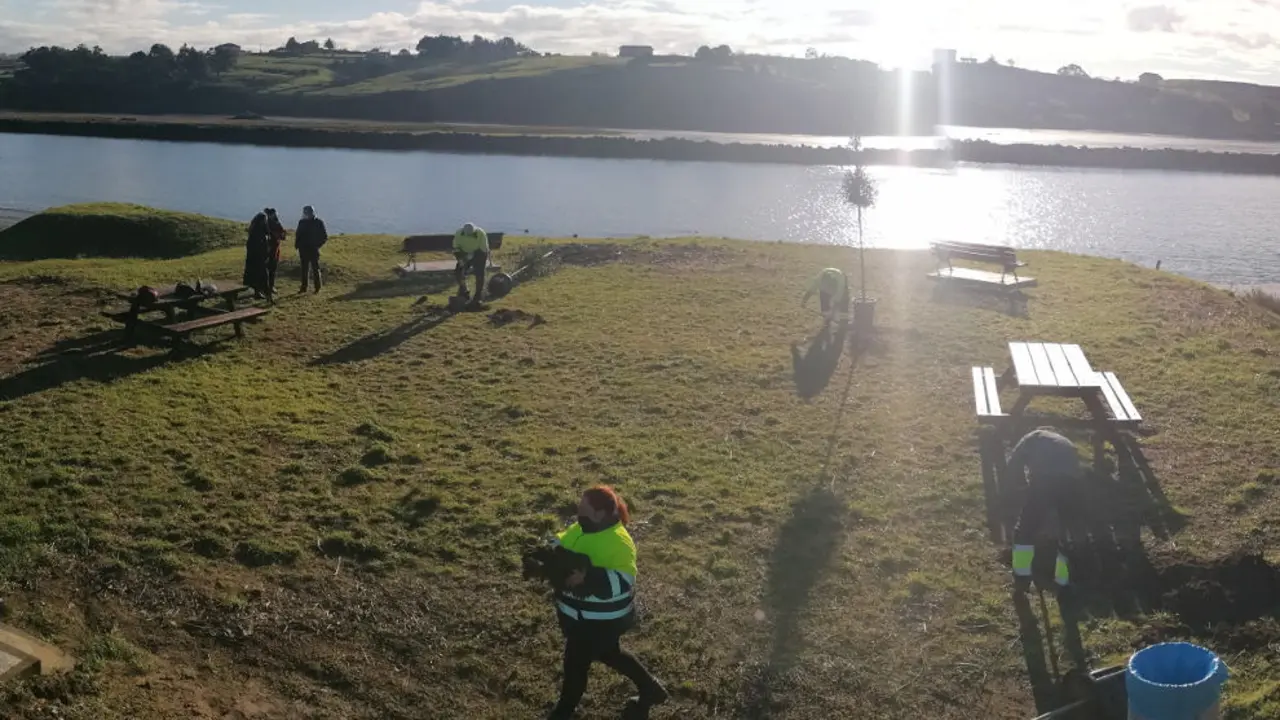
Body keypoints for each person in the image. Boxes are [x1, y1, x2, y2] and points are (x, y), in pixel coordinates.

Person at [526, 487, 668, 720]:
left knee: (575, 664)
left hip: (599, 622)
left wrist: (589, 578)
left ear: (601, 514)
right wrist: (544, 552)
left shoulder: (619, 542)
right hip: (583, 618)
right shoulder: (582, 527)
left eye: (584, 509)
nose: (578, 512)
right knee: (610, 653)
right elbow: (563, 539)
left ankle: (563, 712)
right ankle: (651, 688)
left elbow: (623, 582)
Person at [1007, 427, 1083, 593]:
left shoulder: (1030, 437)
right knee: (1065, 531)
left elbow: (1013, 464)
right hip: (1070, 480)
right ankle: (1063, 580)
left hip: (1044, 479)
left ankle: (1021, 578)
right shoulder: (1064, 441)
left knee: (1025, 529)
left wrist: (1020, 487)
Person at [453, 222, 489, 306]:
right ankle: (464, 290)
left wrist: (473, 256)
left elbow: (483, 250)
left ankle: (478, 295)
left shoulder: (481, 233)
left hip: (479, 253)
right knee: (458, 271)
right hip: (464, 253)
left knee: (480, 273)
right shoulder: (458, 233)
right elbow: (456, 248)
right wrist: (460, 259)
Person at [295, 205, 328, 294]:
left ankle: (317, 287)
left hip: (313, 249)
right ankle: (303, 287)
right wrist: (297, 245)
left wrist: (317, 245)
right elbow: (298, 234)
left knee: (315, 268)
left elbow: (324, 236)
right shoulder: (302, 222)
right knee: (304, 269)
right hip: (303, 249)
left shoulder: (318, 222)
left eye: (307, 213)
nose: (306, 214)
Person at [243, 212, 271, 299]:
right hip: (258, 258)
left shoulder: (256, 229)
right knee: (262, 275)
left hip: (257, 257)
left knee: (258, 275)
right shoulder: (257, 232)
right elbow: (257, 245)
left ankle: (258, 292)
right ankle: (265, 293)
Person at [264, 208, 287, 297]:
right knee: (268, 268)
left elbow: (282, 235)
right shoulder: (267, 223)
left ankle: (270, 286)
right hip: (268, 249)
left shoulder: (276, 223)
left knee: (272, 268)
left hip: (274, 249)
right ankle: (267, 286)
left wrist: (281, 234)